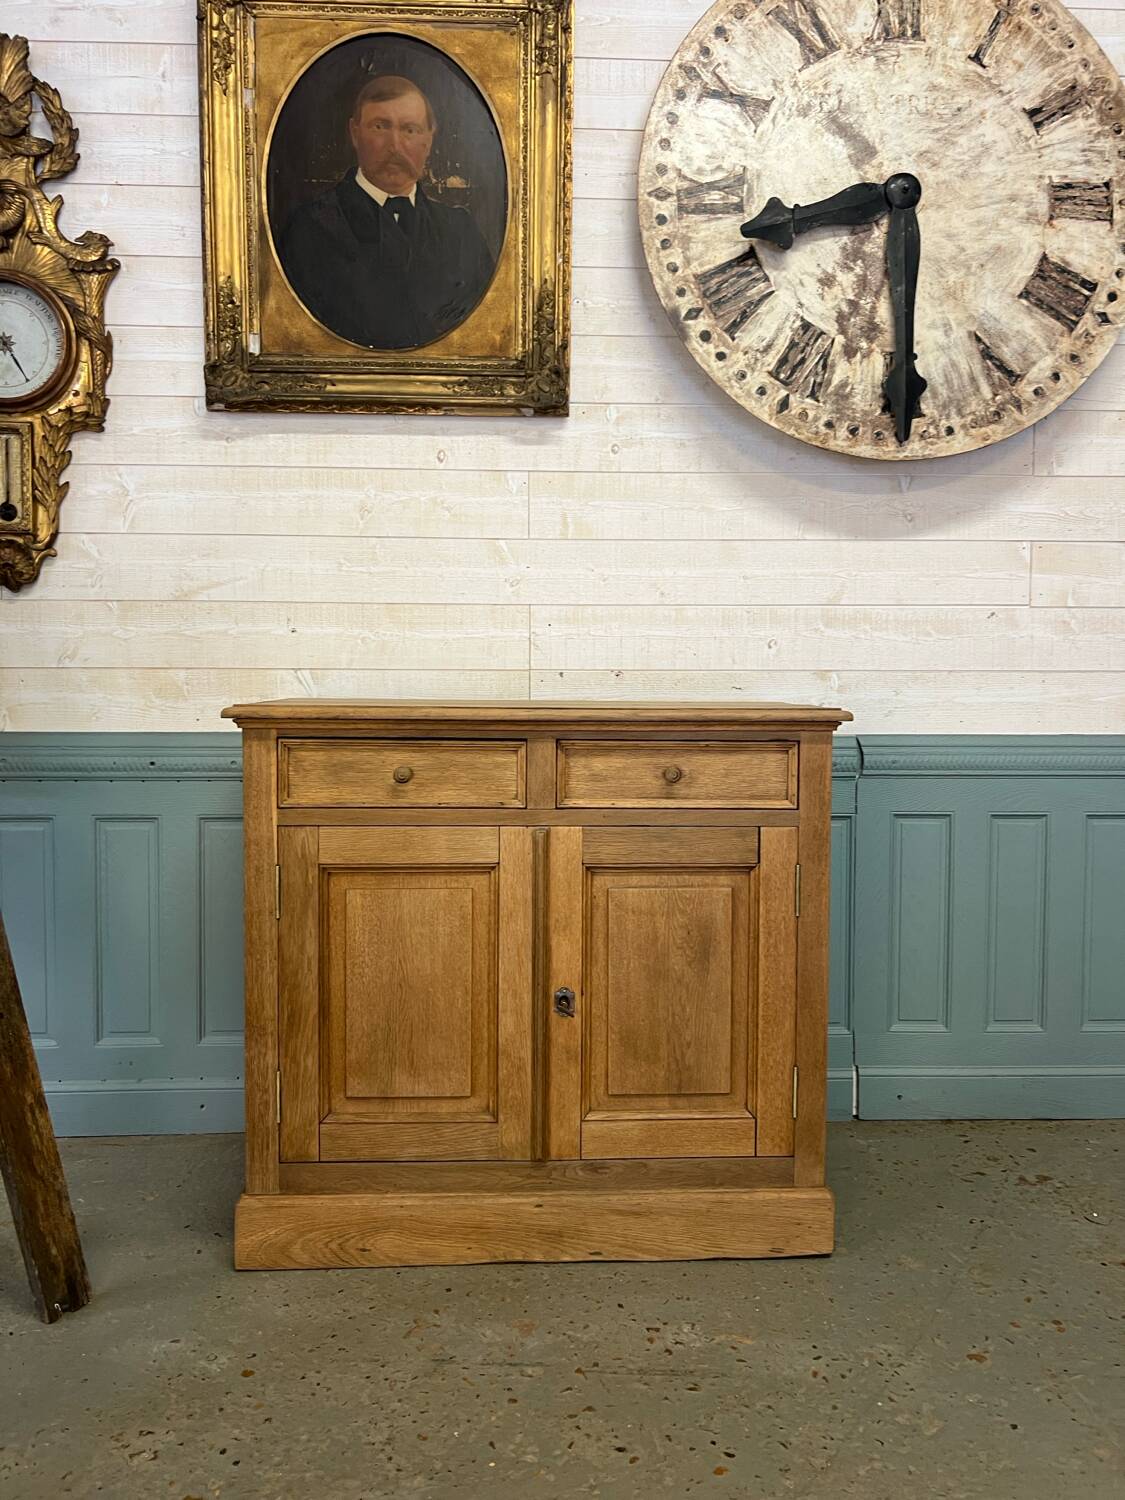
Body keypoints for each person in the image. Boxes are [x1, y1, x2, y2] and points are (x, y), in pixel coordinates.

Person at [277, 74, 496, 349]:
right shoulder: (309, 229)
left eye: (410, 130)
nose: (395, 146)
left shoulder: (462, 231)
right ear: (355, 133)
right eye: (380, 127)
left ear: (428, 141)